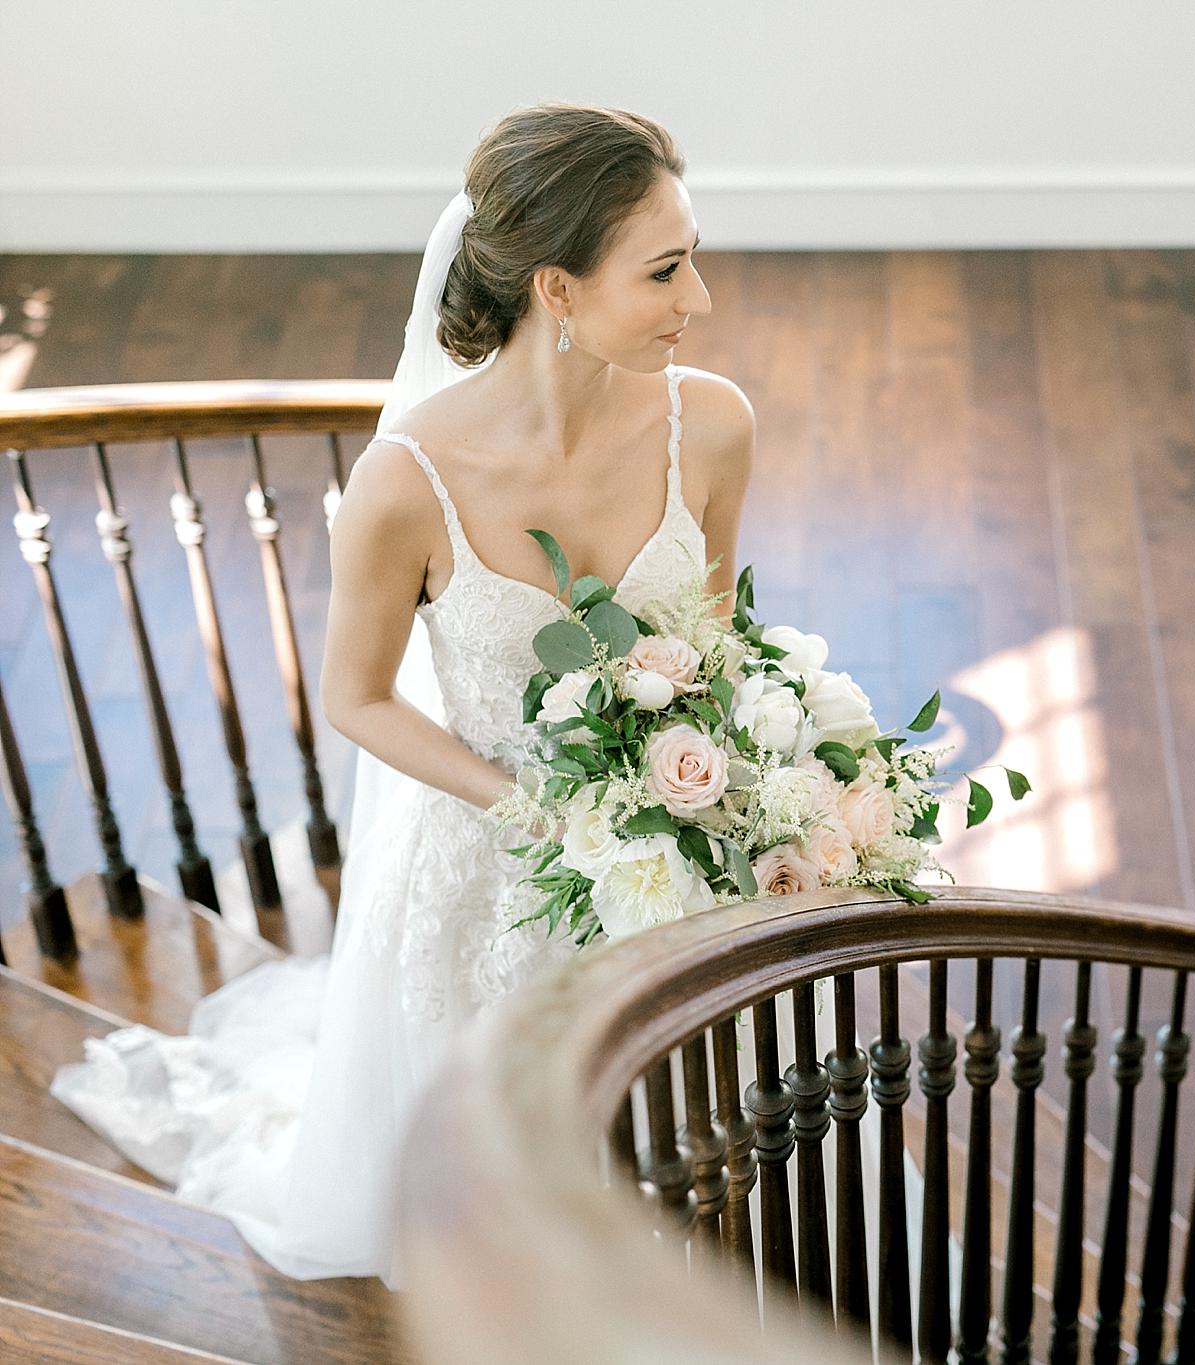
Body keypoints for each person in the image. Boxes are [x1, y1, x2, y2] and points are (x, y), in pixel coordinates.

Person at [48, 102, 749, 1289]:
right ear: (557, 291)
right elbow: (356, 698)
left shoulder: (715, 426)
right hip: (489, 866)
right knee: (510, 1182)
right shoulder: (405, 482)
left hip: (668, 841)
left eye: (696, 257)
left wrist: (726, 777)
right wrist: (533, 810)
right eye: (666, 270)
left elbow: (714, 636)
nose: (702, 300)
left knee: (684, 1134)